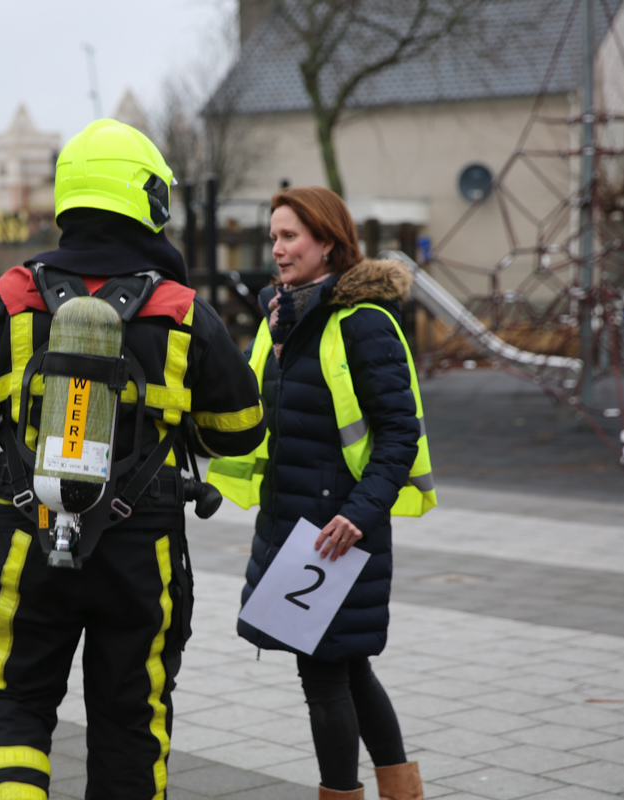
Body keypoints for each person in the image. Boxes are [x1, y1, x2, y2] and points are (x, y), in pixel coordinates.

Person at [0, 118, 266, 800]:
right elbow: (241, 431)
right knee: (130, 726)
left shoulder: (13, 297)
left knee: (12, 705)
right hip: (142, 552)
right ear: (149, 200)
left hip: (30, 535)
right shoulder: (182, 312)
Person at [207, 187, 435, 800]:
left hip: (339, 533)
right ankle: (402, 791)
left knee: (325, 675)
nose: (277, 249)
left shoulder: (365, 323)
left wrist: (358, 515)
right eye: (273, 237)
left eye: (290, 236)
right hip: (291, 526)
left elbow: (399, 434)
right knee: (348, 669)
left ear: (328, 242)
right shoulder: (280, 319)